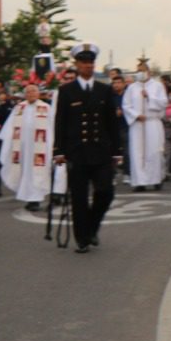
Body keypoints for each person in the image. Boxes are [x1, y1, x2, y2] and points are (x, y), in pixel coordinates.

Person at [54, 42, 121, 254]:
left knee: (105, 192)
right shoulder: (66, 91)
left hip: (101, 151)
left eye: (91, 62)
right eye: (83, 62)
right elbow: (61, 122)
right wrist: (59, 151)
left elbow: (112, 122)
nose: (88, 66)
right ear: (76, 64)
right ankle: (82, 239)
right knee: (79, 198)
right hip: (77, 151)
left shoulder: (105, 90)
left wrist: (117, 150)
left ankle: (92, 226)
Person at [0, 84, 55, 210]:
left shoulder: (46, 108)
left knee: (37, 171)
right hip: (22, 148)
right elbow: (9, 127)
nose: (31, 94)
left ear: (38, 93)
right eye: (28, 92)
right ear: (25, 95)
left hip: (40, 147)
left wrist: (53, 143)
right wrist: (8, 142)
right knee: (25, 171)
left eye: (33, 91)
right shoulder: (19, 108)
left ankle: (35, 199)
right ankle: (29, 199)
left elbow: (52, 128)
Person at [121, 61, 167, 192]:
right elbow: (126, 105)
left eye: (142, 70)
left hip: (152, 123)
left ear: (149, 72)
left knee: (154, 152)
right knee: (137, 153)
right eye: (138, 70)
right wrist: (136, 115)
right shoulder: (131, 88)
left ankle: (156, 179)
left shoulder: (157, 86)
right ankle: (139, 182)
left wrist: (149, 97)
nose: (140, 73)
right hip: (137, 125)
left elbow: (163, 103)